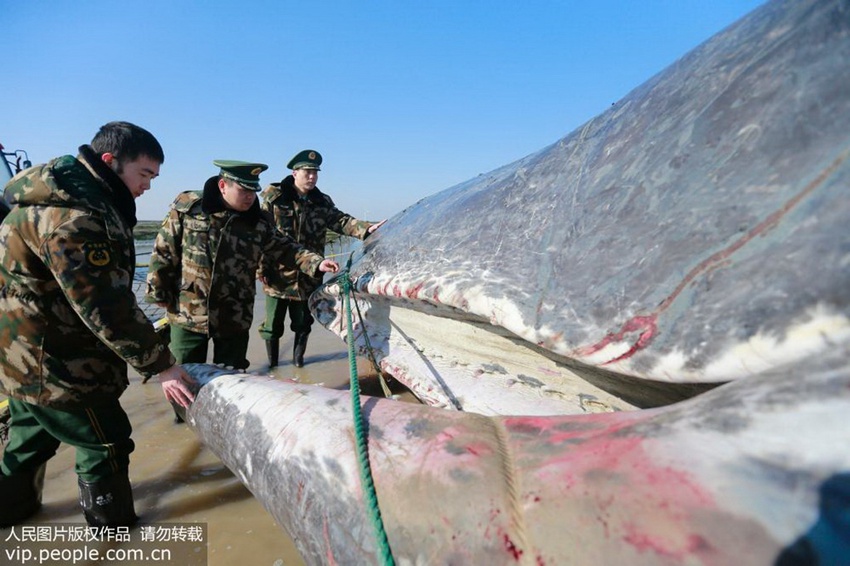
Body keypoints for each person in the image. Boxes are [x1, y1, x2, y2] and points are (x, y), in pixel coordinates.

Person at [0, 121, 195, 528]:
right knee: (105, 443)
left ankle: (12, 517)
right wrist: (161, 365)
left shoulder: (45, 200)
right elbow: (104, 306)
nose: (148, 186)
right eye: (144, 174)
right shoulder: (77, 218)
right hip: (64, 365)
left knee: (27, 442)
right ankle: (114, 535)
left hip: (20, 358)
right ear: (110, 162)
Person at [145, 160, 339, 375]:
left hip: (234, 315)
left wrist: (316, 262)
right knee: (184, 377)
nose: (250, 196)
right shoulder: (189, 208)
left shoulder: (258, 221)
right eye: (243, 190)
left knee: (233, 379)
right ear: (223, 186)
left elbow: (285, 248)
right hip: (188, 311)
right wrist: (157, 292)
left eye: (253, 190)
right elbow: (164, 250)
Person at [259, 149, 386, 367]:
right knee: (272, 326)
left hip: (310, 275)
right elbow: (260, 236)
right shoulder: (274, 199)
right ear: (294, 172)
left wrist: (366, 228)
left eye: (315, 173)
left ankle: (299, 363)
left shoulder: (321, 201)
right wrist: (259, 271)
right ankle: (273, 367)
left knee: (303, 323)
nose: (312, 177)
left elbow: (340, 221)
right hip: (277, 275)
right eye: (307, 172)